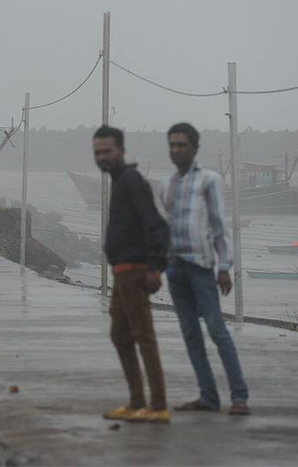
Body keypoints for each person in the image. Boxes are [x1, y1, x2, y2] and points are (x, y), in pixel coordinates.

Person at [160, 122, 250, 415]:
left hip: (201, 268)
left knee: (217, 331)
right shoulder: (167, 185)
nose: (176, 150)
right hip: (176, 270)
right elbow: (168, 226)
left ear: (194, 148)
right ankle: (208, 397)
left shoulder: (209, 181)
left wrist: (224, 266)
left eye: (182, 144)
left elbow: (218, 226)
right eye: (172, 144)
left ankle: (239, 397)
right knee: (190, 334)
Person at [93, 125, 171, 423]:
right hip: (121, 271)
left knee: (143, 336)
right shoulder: (120, 181)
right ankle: (137, 401)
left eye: (107, 151)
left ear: (121, 150)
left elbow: (156, 224)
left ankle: (158, 405)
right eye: (98, 152)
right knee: (120, 334)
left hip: (135, 270)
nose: (102, 157)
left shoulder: (131, 180)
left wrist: (155, 267)